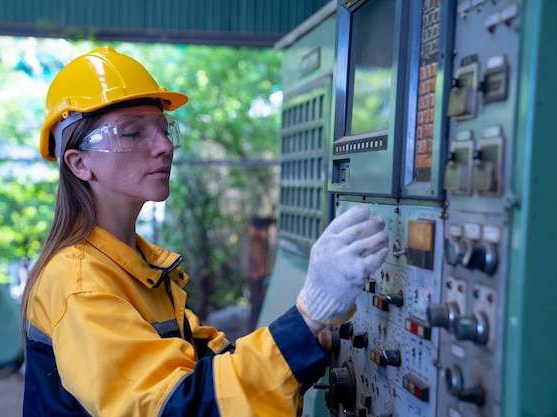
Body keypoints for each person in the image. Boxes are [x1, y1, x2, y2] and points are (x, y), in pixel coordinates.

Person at [21, 46, 389, 417]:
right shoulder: (79, 284)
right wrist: (310, 315)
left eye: (164, 131)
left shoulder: (138, 266)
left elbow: (209, 364)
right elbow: (176, 407)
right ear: (79, 162)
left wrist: (306, 337)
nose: (164, 147)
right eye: (132, 133)